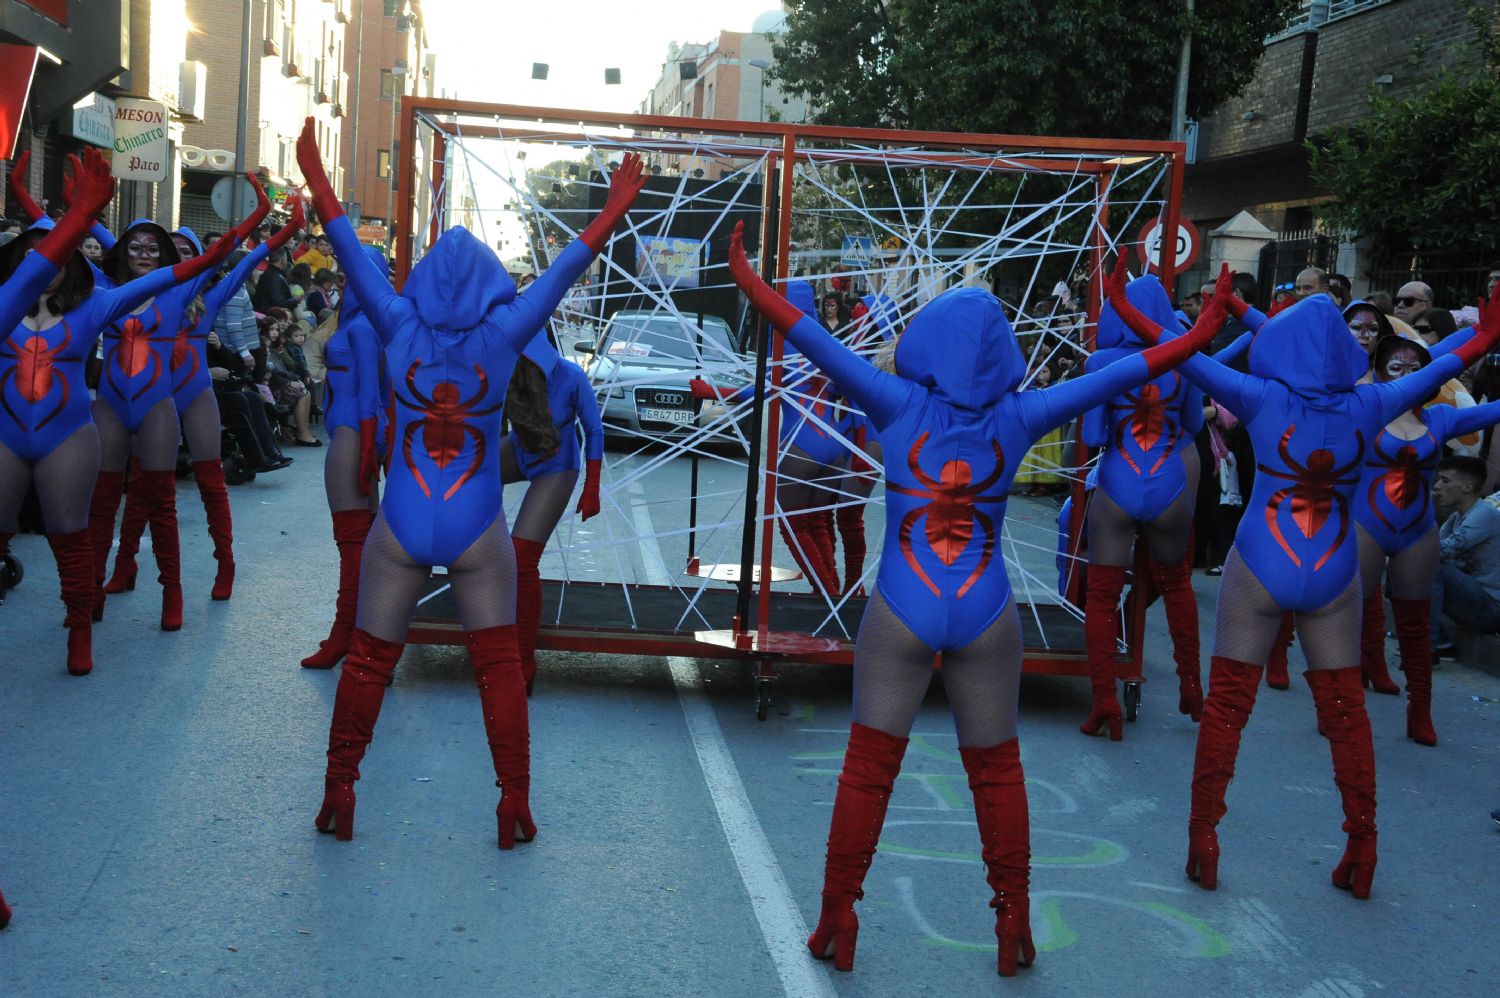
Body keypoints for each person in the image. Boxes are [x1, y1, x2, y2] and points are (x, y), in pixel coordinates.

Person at [728, 222, 1230, 977]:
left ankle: (838, 916)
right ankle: (1013, 923)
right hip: (988, 602)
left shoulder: (893, 401)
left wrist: (747, 272)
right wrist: (1212, 323)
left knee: (868, 768)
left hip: (903, 597)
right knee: (997, 771)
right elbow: (1139, 369)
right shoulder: (1022, 415)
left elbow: (802, 333)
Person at [295, 119, 644, 847]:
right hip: (476, 521)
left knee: (366, 662)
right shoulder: (506, 332)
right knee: (498, 673)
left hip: (402, 519)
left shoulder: (395, 323)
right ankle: (513, 800)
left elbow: (350, 251)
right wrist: (612, 210)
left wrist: (319, 177)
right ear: (489, 284)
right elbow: (569, 267)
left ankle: (340, 787)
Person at [1107, 261, 1500, 903]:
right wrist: (1482, 336)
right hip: (1336, 565)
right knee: (1346, 714)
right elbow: (1443, 367)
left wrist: (1153, 309)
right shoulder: (1374, 400)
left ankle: (1203, 840)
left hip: (1262, 558)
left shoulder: (1260, 397)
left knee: (1228, 709)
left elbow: (1173, 355)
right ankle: (1361, 848)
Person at [105, 202, 302, 601]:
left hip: (192, 392)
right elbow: (112, 246)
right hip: (147, 396)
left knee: (211, 481)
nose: (178, 256)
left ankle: (225, 564)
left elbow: (243, 260)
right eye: (171, 248)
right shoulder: (134, 294)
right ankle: (125, 564)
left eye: (186, 249)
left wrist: (274, 235)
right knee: (142, 485)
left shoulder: (206, 297)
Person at [0, 149, 133, 675]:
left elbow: (165, 279)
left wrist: (227, 249)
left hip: (68, 436)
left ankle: (81, 632)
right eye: (32, 258)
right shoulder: (5, 304)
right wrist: (73, 217)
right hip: (6, 435)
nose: (44, 266)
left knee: (69, 538)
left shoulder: (94, 306)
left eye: (53, 258)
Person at [1078, 271, 1207, 740]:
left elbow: (1093, 436)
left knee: (1101, 595)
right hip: (1170, 480)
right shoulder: (1186, 359)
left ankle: (1104, 701)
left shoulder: (1102, 363)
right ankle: (1192, 689)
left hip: (1119, 479)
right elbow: (1193, 424)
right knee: (1177, 585)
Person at [1354, 338, 1500, 746]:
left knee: (1416, 621)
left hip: (1417, 530)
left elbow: (1493, 410)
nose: (1407, 374)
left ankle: (1420, 707)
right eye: (1396, 367)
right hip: (1365, 522)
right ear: (1380, 372)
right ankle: (1347, 700)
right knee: (1355, 611)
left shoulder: (1439, 418)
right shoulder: (1364, 408)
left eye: (1417, 367)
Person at [300, 245, 389, 669]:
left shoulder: (364, 327)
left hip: (353, 435)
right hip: (355, 433)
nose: (341, 281)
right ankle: (359, 639)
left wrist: (370, 449)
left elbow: (373, 395)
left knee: (354, 547)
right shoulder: (361, 322)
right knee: (361, 546)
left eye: (349, 274)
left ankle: (348, 639)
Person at [503, 337, 604, 695]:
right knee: (469, 468)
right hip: (519, 451)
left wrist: (592, 486)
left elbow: (594, 430)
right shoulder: (505, 366)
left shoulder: (572, 377)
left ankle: (523, 660)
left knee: (521, 560)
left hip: (557, 467)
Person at [1430, 456, 1500, 653]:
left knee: (1426, 564)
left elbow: (1436, 552)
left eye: (1445, 480)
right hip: (1470, 602)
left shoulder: (1483, 514)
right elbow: (1433, 547)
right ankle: (1440, 641)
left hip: (1491, 610)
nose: (1436, 487)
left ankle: (1428, 645)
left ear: (1467, 487)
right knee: (1405, 563)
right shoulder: (1456, 516)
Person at [251, 246, 295, 312]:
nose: (287, 261)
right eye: (286, 259)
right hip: (270, 315)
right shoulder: (273, 277)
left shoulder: (272, 273)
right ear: (282, 261)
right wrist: (295, 300)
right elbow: (280, 303)